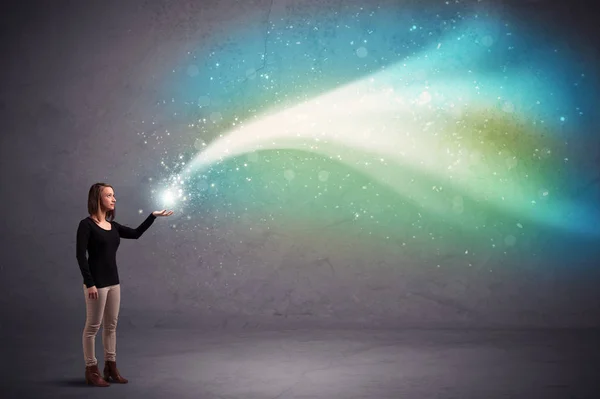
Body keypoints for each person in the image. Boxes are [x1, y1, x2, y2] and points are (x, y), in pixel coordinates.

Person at [76, 182, 173, 387]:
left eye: (114, 195)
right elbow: (80, 256)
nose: (114, 198)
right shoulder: (86, 225)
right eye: (109, 195)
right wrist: (90, 283)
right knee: (93, 327)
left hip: (114, 283)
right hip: (97, 285)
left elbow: (136, 233)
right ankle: (91, 369)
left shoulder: (114, 226)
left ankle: (110, 368)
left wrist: (152, 216)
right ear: (98, 199)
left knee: (111, 326)